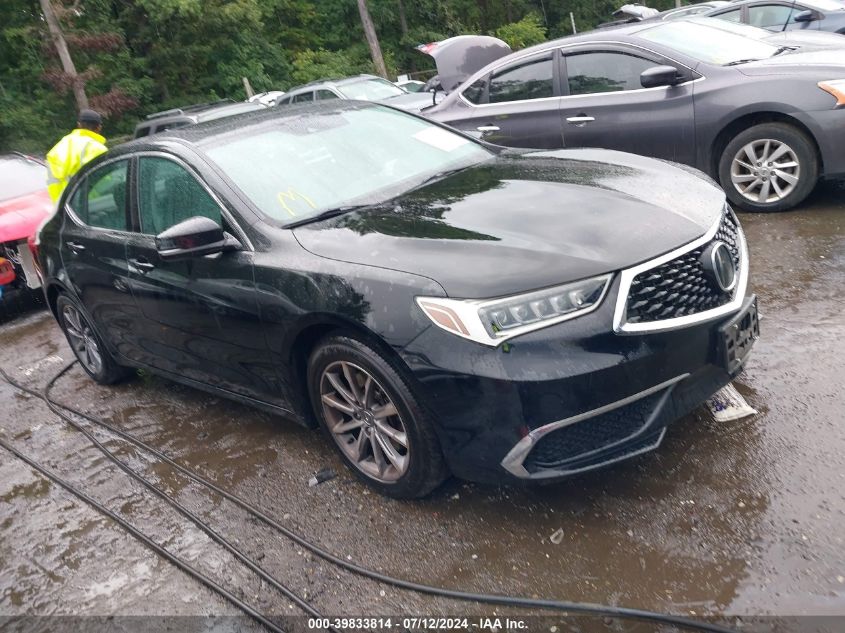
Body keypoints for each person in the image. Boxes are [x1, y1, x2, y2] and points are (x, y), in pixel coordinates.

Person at [45, 109, 108, 203]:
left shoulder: (60, 145)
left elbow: (52, 180)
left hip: (61, 207)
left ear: (79, 125)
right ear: (99, 128)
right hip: (89, 206)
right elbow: (106, 183)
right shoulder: (98, 149)